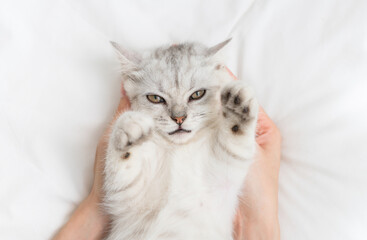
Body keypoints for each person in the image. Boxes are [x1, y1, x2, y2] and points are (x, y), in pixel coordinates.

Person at [53, 70, 281, 240]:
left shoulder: (209, 136)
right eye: (157, 99)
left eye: (197, 94)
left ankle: (236, 130)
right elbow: (127, 201)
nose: (178, 116)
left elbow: (225, 177)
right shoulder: (149, 141)